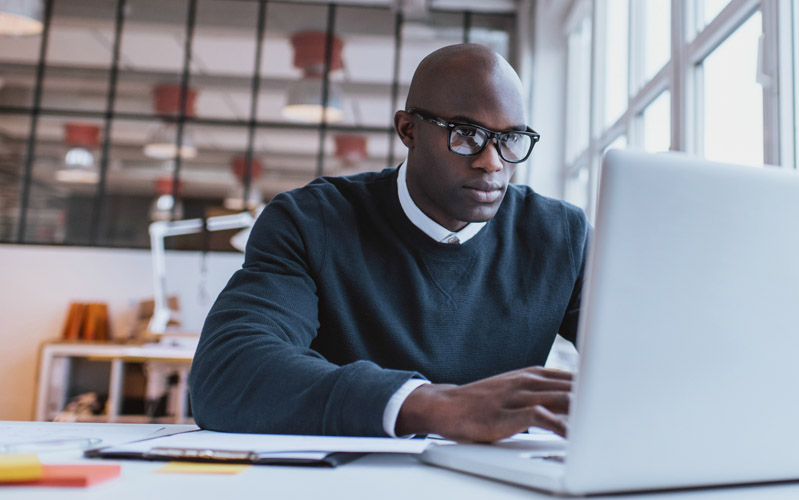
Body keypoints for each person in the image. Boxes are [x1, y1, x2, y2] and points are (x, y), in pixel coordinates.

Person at [189, 43, 590, 442]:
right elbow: (227, 371)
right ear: (408, 130)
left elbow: (641, 353)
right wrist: (430, 406)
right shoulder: (311, 222)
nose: (493, 162)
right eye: (466, 134)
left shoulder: (561, 236)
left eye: (512, 138)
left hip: (502, 481)